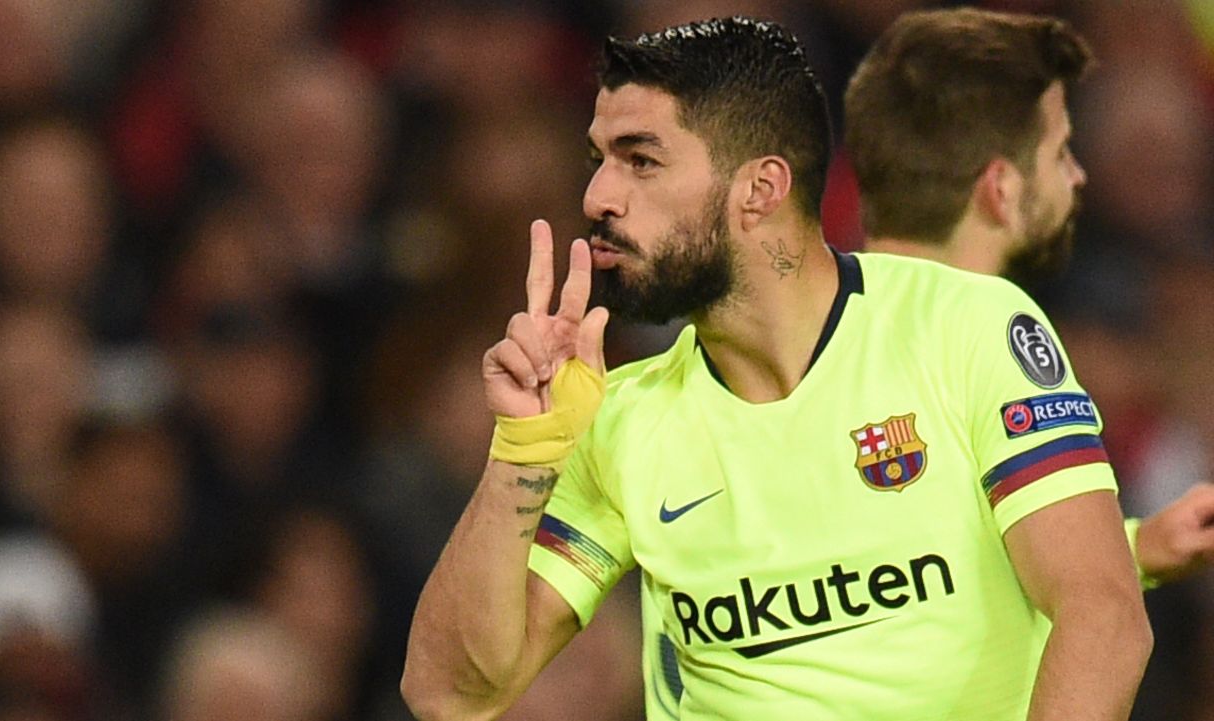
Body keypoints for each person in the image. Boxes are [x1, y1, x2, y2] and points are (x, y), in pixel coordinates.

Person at [402, 16, 1153, 721]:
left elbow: (1103, 613)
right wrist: (522, 452)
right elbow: (449, 691)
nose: (598, 196)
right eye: (598, 161)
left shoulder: (966, 327)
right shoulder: (618, 418)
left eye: (640, 160)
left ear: (760, 189)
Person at [636, 9, 1214, 718]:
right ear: (1001, 189)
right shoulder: (965, 338)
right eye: (1061, 152)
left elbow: (887, 579)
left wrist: (1126, 548)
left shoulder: (808, 340)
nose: (1079, 176)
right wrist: (1103, 590)